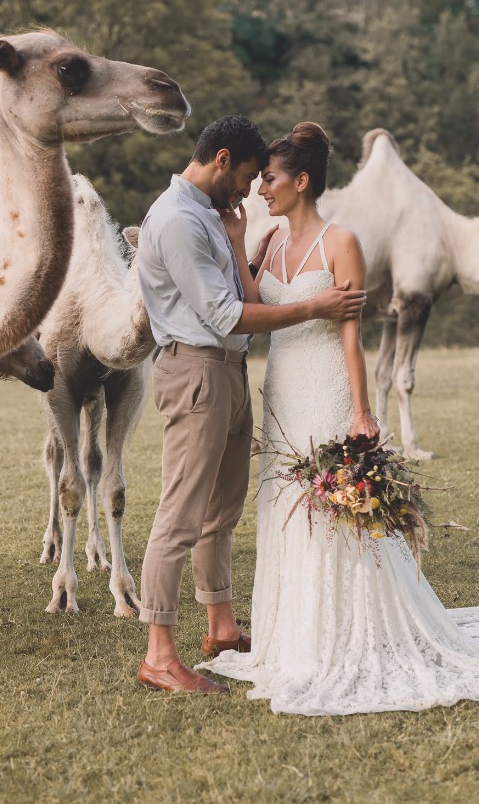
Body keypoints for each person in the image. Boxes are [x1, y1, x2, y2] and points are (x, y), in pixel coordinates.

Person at [200, 121, 479, 714]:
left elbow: (351, 337)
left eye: (270, 179)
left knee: (332, 510)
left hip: (329, 390)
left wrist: (363, 413)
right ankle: (294, 636)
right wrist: (240, 245)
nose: (261, 188)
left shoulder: (342, 243)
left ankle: (344, 634)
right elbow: (253, 307)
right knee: (282, 506)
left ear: (302, 181)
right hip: (283, 388)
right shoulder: (270, 243)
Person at [136, 115, 367, 694]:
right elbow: (224, 313)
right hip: (196, 372)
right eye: (245, 176)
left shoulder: (210, 218)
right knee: (180, 516)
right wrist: (314, 308)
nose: (249, 190)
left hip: (230, 372)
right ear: (220, 161)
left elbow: (242, 294)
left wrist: (242, 247)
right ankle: (160, 655)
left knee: (222, 511)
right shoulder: (177, 220)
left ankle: (220, 627)